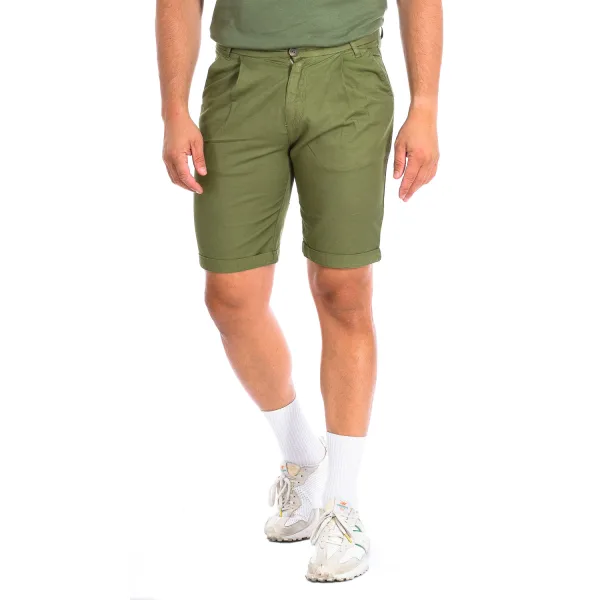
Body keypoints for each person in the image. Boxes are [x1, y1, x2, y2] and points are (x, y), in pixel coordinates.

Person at [156, 0, 442, 582]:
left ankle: (342, 504)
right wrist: (173, 109)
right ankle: (302, 453)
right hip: (241, 82)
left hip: (348, 77)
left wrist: (426, 105)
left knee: (344, 289)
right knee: (230, 297)